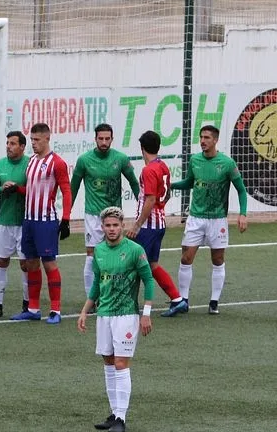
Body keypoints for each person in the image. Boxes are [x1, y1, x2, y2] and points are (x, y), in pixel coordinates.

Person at [77, 206, 154, 432]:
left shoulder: (134, 250)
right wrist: (84, 311)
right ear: (102, 227)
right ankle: (113, 413)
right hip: (104, 314)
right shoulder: (98, 251)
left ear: (122, 226)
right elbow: (97, 285)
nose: (111, 229)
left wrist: (146, 313)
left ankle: (122, 416)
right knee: (108, 362)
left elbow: (148, 280)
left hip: (126, 315)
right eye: (108, 226)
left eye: (115, 225)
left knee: (121, 363)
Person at [167, 125, 248, 315]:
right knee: (186, 258)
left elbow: (241, 190)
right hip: (195, 218)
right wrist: (170, 185)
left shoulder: (227, 163)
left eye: (207, 138)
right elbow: (189, 183)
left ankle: (214, 302)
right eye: (201, 137)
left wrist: (242, 214)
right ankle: (183, 300)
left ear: (215, 140)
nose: (203, 141)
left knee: (218, 259)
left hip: (217, 220)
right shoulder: (195, 160)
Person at [70, 123, 141, 301]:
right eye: (100, 138)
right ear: (95, 139)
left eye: (107, 139)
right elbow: (73, 188)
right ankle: (91, 299)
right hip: (93, 215)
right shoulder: (84, 160)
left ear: (112, 139)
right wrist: (65, 215)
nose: (104, 142)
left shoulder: (121, 159)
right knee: (92, 255)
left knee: (117, 254)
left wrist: (141, 208)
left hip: (115, 215)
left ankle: (115, 294)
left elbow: (134, 183)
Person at [11, 122, 72, 324]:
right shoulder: (31, 161)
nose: (33, 144)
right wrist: (17, 189)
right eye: (32, 140)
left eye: (36, 140)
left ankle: (55, 310)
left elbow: (66, 190)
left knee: (49, 263)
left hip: (45, 222)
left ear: (47, 138)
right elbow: (31, 190)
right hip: (28, 220)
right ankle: (33, 308)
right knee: (30, 263)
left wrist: (65, 220)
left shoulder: (57, 162)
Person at [126, 130, 184, 314]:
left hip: (148, 227)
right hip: (159, 223)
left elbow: (150, 199)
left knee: (134, 263)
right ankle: (177, 298)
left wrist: (137, 225)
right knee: (152, 265)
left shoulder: (148, 170)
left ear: (142, 148)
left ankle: (130, 304)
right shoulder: (163, 166)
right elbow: (166, 194)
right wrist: (160, 208)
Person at [0, 130, 30, 318]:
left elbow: (35, 191)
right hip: (4, 222)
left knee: (26, 264)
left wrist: (18, 189)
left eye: (13, 143)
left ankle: (27, 305)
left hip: (25, 223)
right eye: (8, 143)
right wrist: (1, 189)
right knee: (2, 261)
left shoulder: (30, 164)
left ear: (22, 147)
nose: (9, 147)